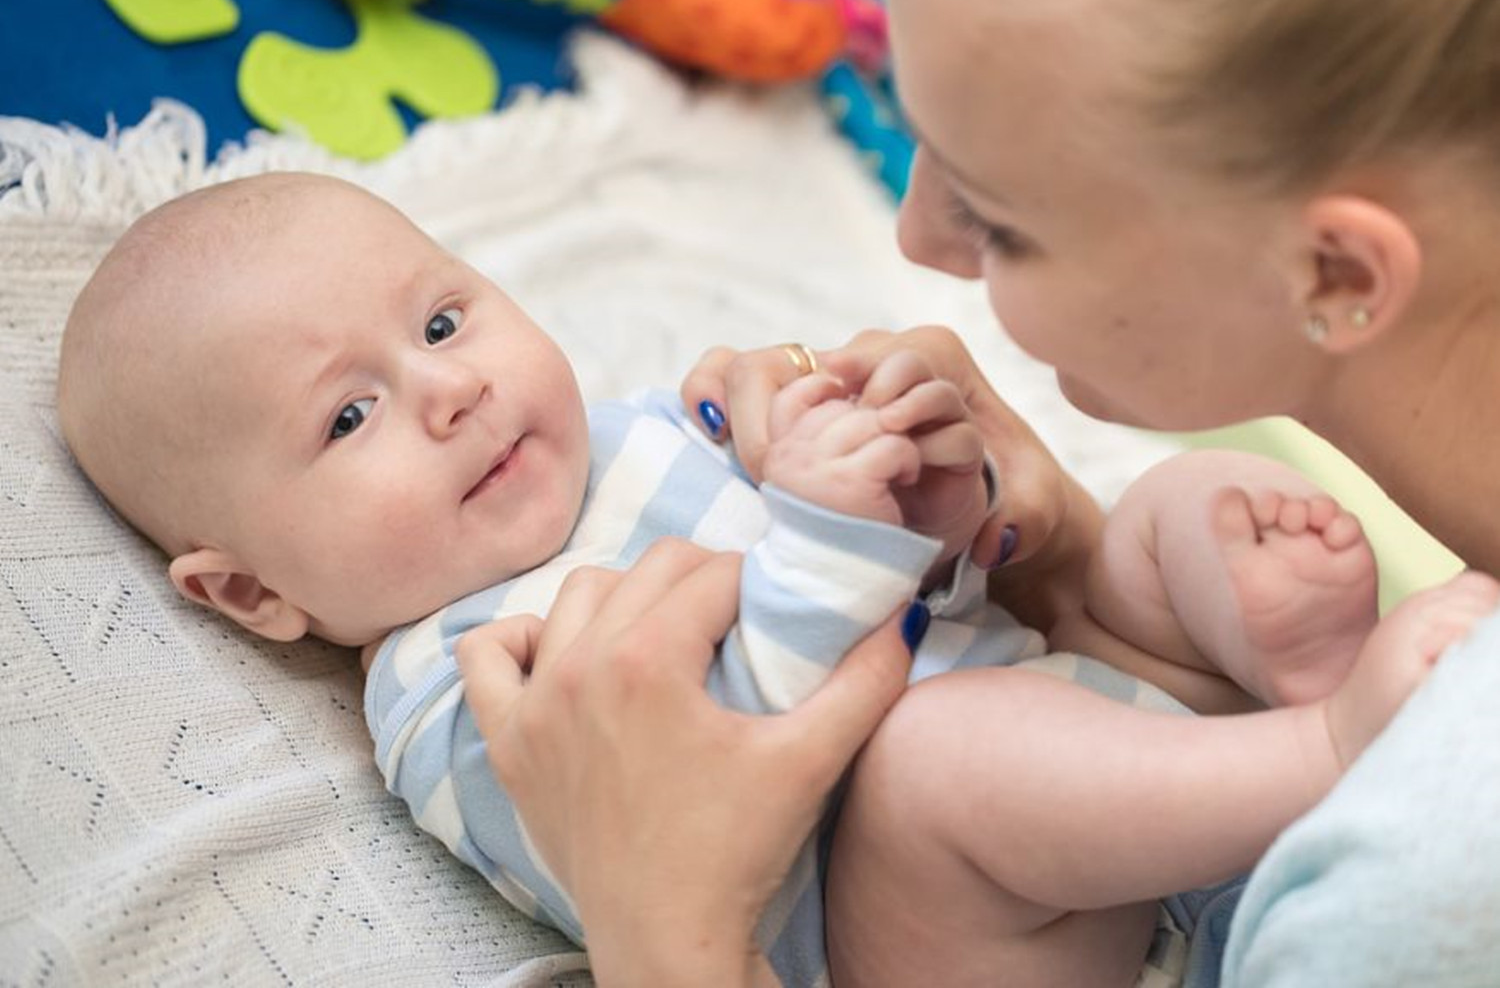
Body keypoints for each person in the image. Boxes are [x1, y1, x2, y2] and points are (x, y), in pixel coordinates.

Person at [56, 171, 1484, 984]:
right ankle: (1336, 744)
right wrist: (831, 534)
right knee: (931, 765)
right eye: (348, 417)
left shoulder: (649, 430)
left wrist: (931, 499)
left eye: (441, 322)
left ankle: (1289, 663)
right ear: (251, 594)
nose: (448, 392)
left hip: (1100, 728)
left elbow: (944, 600)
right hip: (963, 930)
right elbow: (723, 780)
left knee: (1177, 510)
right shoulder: (450, 684)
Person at [453, 0, 1500, 985]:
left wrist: (666, 930)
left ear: (1339, 274)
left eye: (996, 218)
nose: (918, 240)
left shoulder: (1435, 878)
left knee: (932, 765)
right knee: (1188, 511)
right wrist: (1061, 585)